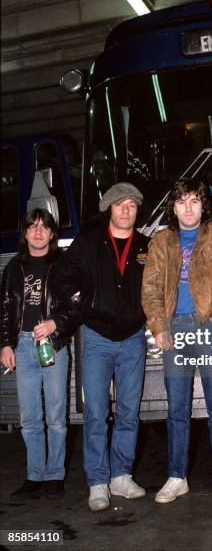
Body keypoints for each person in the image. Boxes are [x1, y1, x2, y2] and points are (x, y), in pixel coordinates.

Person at [142, 178, 212, 503]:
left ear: (203, 205)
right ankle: (176, 476)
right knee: (178, 408)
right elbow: (152, 287)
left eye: (195, 201)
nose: (188, 207)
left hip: (208, 325)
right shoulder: (162, 240)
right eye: (182, 201)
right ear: (173, 206)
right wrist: (159, 327)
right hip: (175, 331)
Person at [54, 183, 149, 511]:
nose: (126, 210)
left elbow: (158, 287)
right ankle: (97, 481)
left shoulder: (145, 246)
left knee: (128, 412)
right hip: (95, 337)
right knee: (96, 413)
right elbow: (62, 278)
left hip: (133, 339)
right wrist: (85, 302)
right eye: (120, 204)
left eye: (132, 206)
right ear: (108, 208)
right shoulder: (88, 243)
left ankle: (121, 476)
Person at [0, 208, 76, 500]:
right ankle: (35, 476)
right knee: (30, 417)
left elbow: (75, 304)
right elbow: (5, 309)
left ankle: (55, 475)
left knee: (56, 416)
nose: (38, 231)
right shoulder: (13, 268)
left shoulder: (64, 265)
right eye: (32, 226)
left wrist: (55, 323)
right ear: (25, 233)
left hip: (52, 345)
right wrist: (6, 344)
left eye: (44, 226)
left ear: (53, 233)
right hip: (22, 345)